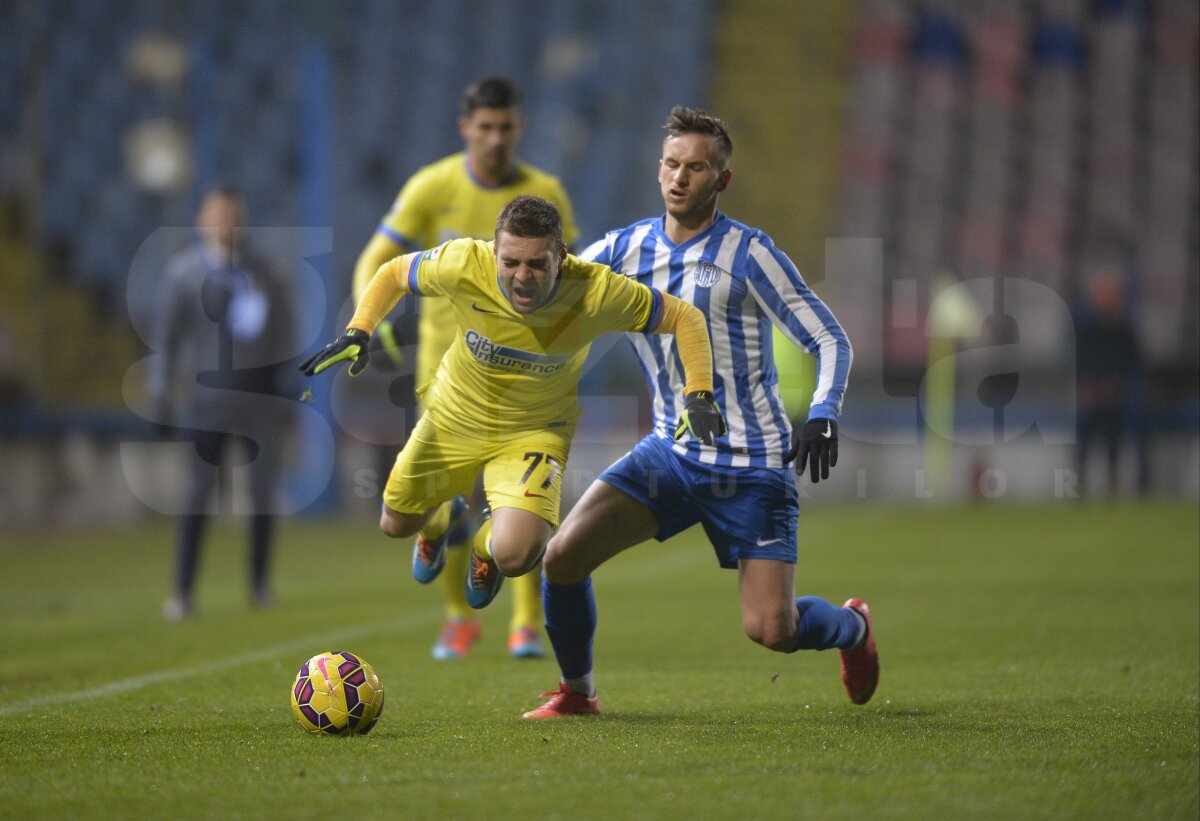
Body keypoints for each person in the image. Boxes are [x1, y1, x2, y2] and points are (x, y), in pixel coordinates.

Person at [522, 107, 877, 720]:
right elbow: (550, 288)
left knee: (773, 629)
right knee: (562, 557)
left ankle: (852, 628)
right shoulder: (623, 249)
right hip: (670, 454)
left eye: (695, 167)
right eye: (670, 164)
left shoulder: (750, 254)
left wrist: (823, 411)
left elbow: (830, 339)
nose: (679, 178)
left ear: (722, 180)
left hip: (752, 465)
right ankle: (578, 694)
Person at [302, 196, 723, 637]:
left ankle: (486, 550)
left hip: (535, 433)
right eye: (511, 262)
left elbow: (684, 316)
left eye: (537, 265)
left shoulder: (598, 292)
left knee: (518, 555)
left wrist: (698, 393)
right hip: (452, 417)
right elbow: (392, 273)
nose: (522, 277)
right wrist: (359, 329)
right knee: (394, 525)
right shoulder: (463, 262)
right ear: (494, 250)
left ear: (561, 256)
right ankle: (443, 517)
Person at [351, 77, 581, 660]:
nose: (496, 138)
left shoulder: (544, 191)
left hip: (527, 374)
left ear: (519, 128)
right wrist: (367, 321)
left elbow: (572, 274)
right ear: (466, 129)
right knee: (448, 497)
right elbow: (378, 258)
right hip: (446, 373)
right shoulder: (433, 186)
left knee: (520, 503)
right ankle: (458, 614)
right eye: (486, 127)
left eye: (506, 126)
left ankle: (525, 622)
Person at [149, 186, 298, 621]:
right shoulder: (184, 275)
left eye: (233, 215)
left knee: (262, 493)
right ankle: (183, 590)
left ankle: (258, 583)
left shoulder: (268, 273)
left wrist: (288, 391)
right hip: (207, 401)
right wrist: (160, 394)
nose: (225, 224)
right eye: (217, 215)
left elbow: (285, 337)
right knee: (197, 493)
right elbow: (166, 341)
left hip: (260, 403)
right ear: (201, 220)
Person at [1074, 272, 1142, 499]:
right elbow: (1078, 361)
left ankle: (1113, 491)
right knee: (1084, 447)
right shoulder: (1086, 332)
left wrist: (1116, 384)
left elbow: (1133, 361)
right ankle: (1079, 489)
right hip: (1092, 398)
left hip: (1114, 398)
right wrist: (1088, 385)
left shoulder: (1123, 332)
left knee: (1113, 447)